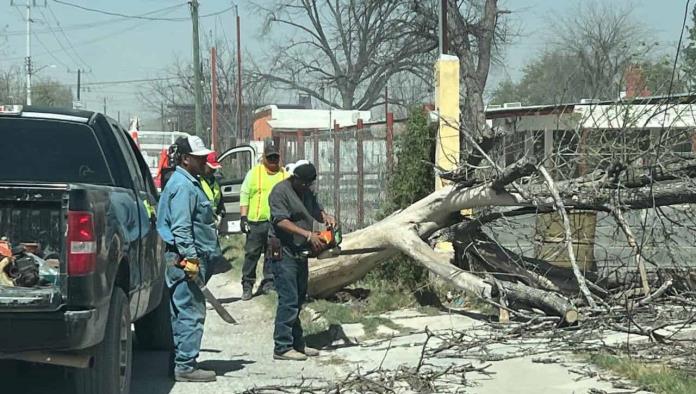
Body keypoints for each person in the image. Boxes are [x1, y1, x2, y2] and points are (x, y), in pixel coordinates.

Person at [156, 135, 219, 382]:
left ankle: (178, 360)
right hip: (184, 260)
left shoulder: (187, 182)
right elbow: (181, 227)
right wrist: (191, 258)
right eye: (199, 157)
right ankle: (185, 366)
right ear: (184, 159)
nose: (204, 160)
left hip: (180, 258)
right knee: (191, 312)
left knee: (180, 311)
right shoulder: (183, 186)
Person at [267, 161, 336, 361]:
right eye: (304, 183)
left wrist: (325, 217)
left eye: (309, 184)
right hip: (283, 249)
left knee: (298, 297)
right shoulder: (280, 192)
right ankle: (282, 346)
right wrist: (307, 235)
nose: (306, 187)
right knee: (288, 298)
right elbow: (280, 221)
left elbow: (315, 210)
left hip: (300, 251)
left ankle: (297, 343)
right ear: (295, 178)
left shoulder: (306, 192)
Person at [239, 140, 287, 300]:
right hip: (256, 222)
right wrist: (243, 217)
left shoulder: (284, 175)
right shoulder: (254, 173)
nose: (273, 161)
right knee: (252, 254)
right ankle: (247, 285)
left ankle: (269, 283)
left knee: (272, 254)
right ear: (264, 158)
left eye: (275, 157)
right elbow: (244, 194)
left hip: (276, 223)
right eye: (270, 157)